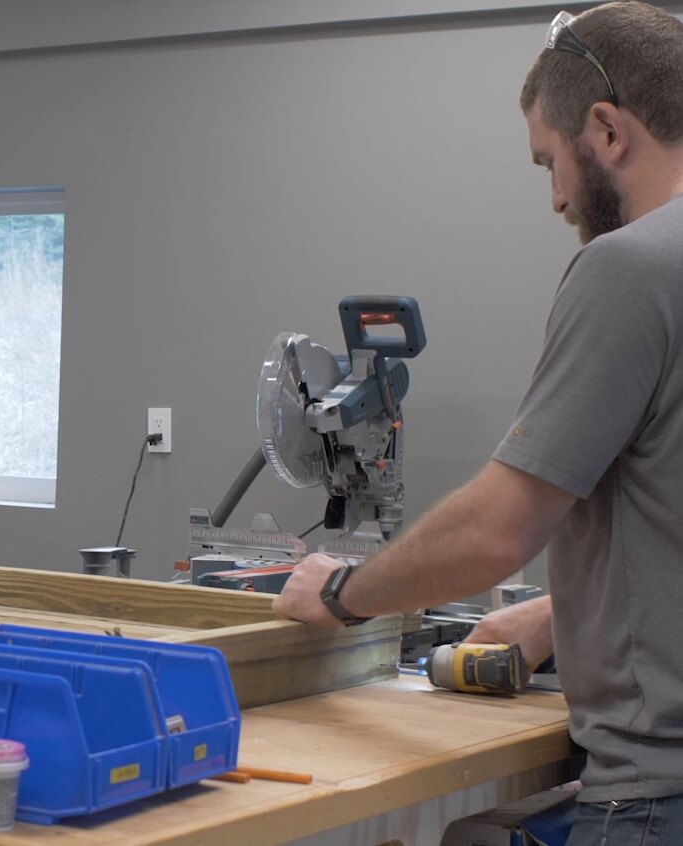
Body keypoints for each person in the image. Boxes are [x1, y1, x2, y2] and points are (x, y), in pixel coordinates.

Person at [274, 3, 683, 842]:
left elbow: (497, 534)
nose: (556, 197)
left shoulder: (629, 266)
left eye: (549, 162)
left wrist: (342, 594)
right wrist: (560, 616)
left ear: (605, 130)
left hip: (656, 791)